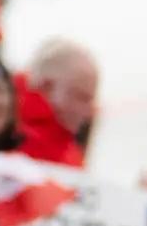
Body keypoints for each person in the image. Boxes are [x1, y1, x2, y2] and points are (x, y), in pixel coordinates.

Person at [13, 38, 98, 167]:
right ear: (46, 86)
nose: (89, 112)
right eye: (81, 97)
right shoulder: (17, 140)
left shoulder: (64, 143)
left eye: (90, 100)